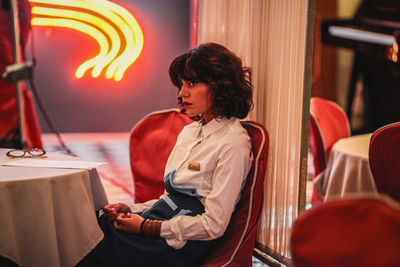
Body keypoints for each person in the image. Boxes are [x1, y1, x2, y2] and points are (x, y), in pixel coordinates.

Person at [78, 42, 254, 266]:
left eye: (192, 83)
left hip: (174, 245)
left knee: (85, 241)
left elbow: (214, 225)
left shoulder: (233, 143)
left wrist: (146, 227)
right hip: (159, 226)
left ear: (220, 85)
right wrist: (130, 209)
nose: (182, 93)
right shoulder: (190, 132)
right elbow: (169, 200)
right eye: (181, 84)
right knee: (87, 223)